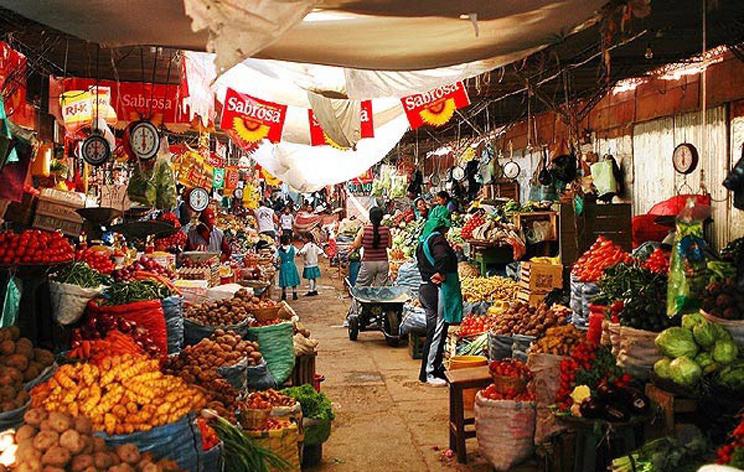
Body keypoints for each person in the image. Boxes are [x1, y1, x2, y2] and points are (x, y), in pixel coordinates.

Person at [416, 206, 463, 386]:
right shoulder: (437, 240)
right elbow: (442, 257)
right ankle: (428, 373)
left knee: (439, 331)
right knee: (436, 331)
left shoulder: (425, 239)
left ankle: (436, 367)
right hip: (437, 290)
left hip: (427, 288)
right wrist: (441, 272)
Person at [351, 207, 391, 286]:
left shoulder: (364, 229)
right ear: (381, 218)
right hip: (383, 263)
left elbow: (356, 245)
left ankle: (361, 298)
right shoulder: (386, 230)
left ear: (370, 217)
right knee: (380, 290)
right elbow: (390, 245)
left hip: (368, 262)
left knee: (361, 287)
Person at [276, 233, 300, 301]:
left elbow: (275, 257)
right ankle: (294, 293)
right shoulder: (292, 248)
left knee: (284, 280)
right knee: (293, 279)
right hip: (291, 265)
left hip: (283, 265)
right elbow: (298, 253)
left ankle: (284, 294)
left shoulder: (279, 249)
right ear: (288, 240)